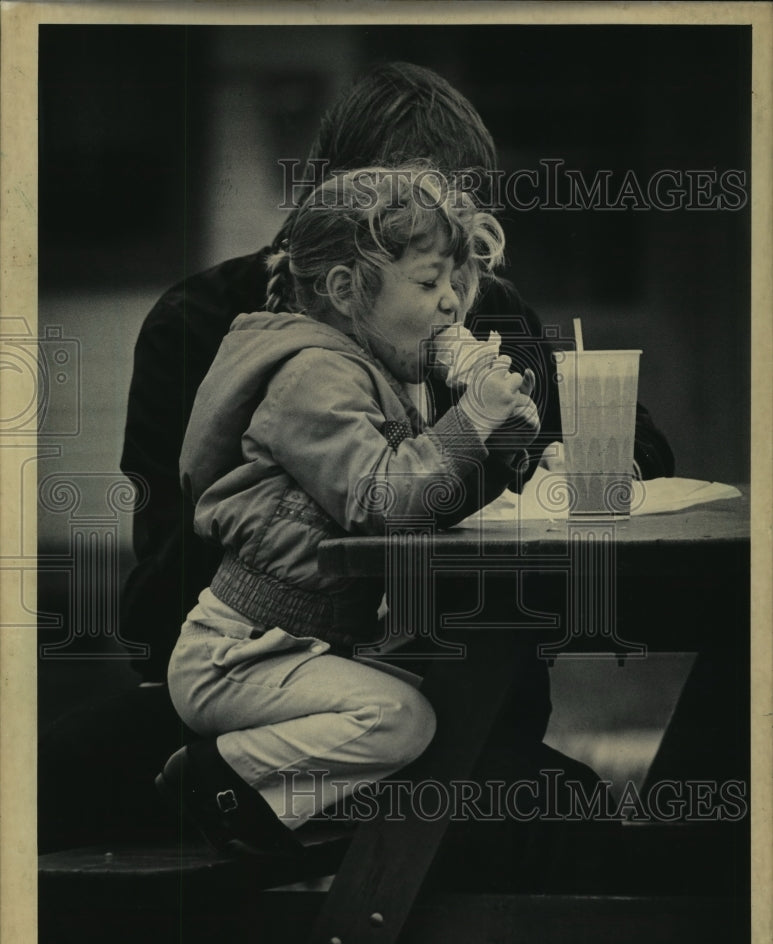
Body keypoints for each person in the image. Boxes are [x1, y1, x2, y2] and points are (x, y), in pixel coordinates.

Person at [38, 61, 674, 854]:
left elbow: (637, 442)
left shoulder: (490, 312)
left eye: (460, 227)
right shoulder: (206, 320)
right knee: (50, 786)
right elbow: (166, 564)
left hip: (454, 680)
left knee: (574, 818)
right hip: (264, 680)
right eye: (418, 232)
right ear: (343, 213)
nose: (452, 288)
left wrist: (564, 458)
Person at [154, 165, 546, 854]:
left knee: (447, 711)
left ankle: (307, 827)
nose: (452, 303)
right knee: (401, 720)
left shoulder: (380, 371)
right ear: (343, 291)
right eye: (428, 283)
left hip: (303, 649)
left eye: (457, 282)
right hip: (237, 656)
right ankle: (219, 782)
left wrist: (505, 439)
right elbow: (384, 503)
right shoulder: (313, 374)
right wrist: (467, 423)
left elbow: (431, 502)